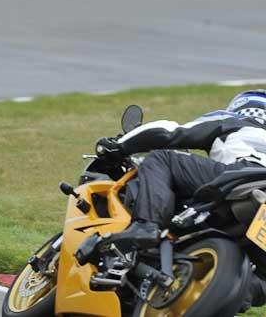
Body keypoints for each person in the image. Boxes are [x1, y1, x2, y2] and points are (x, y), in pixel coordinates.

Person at [97, 90, 266, 310]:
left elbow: (171, 132)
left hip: (244, 178)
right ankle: (229, 294)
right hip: (249, 205)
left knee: (162, 158)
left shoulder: (237, 121)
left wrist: (119, 145)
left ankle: (146, 226)